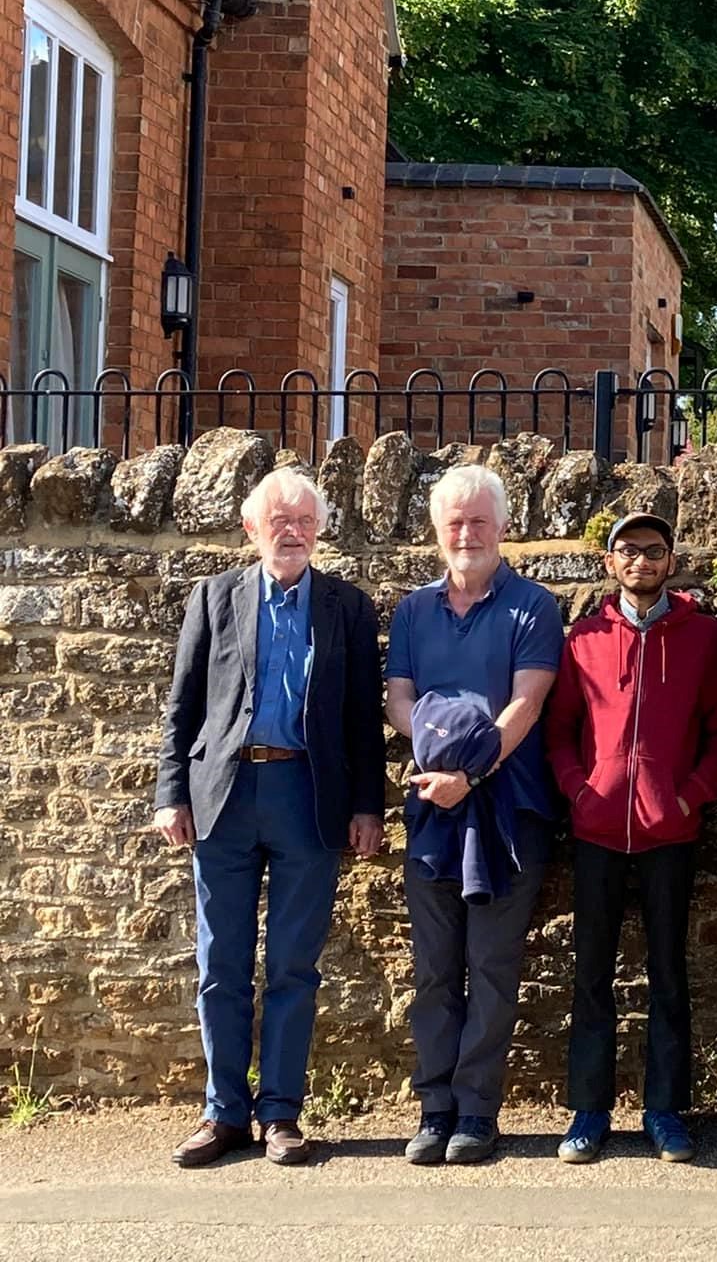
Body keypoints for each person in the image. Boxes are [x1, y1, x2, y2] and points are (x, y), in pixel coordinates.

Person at [154, 469, 384, 1167]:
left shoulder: (347, 606)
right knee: (219, 964)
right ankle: (223, 1113)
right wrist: (170, 793)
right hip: (222, 797)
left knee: (292, 965)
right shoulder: (215, 596)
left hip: (307, 798)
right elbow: (182, 702)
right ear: (251, 529)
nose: (292, 531)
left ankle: (281, 1113)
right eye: (278, 519)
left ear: (320, 531)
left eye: (304, 520)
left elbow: (362, 719)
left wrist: (369, 806)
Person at [544, 511, 717, 1164]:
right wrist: (579, 790)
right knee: (592, 974)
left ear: (671, 560)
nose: (641, 561)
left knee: (667, 976)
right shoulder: (584, 638)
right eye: (628, 550)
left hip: (670, 831)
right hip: (597, 829)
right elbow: (561, 730)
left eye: (653, 551)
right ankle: (589, 1111)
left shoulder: (703, 637)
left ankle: (664, 1111)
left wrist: (690, 796)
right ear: (610, 562)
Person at [386, 464, 563, 1165]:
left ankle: (478, 1114)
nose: (467, 533)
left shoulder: (534, 607)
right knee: (433, 968)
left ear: (502, 527)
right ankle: (435, 1108)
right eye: (455, 522)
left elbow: (527, 704)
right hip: (432, 808)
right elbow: (399, 701)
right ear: (438, 531)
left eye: (479, 521)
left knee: (491, 965)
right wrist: (436, 760)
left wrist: (472, 769)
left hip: (505, 810)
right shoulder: (412, 611)